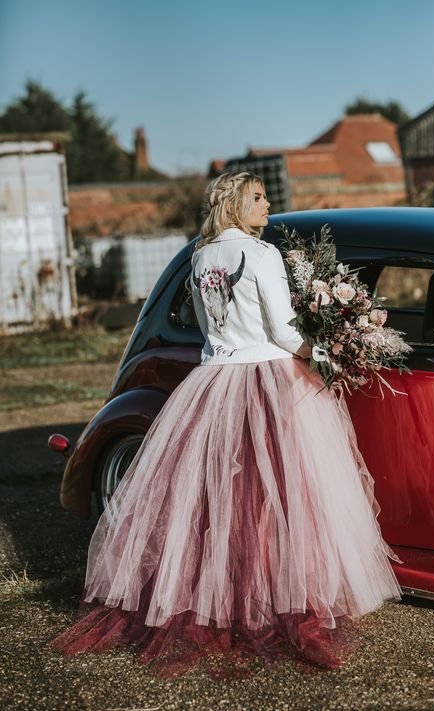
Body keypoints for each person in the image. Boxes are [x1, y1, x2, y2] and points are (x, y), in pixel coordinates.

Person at [50, 171, 402, 678]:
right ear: (236, 203)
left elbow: (205, 324)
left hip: (211, 380)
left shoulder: (199, 257)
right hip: (265, 377)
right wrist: (327, 352)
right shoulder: (261, 255)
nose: (266, 205)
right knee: (281, 492)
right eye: (258, 198)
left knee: (215, 494)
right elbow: (282, 331)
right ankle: (273, 593)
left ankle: (219, 594)